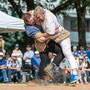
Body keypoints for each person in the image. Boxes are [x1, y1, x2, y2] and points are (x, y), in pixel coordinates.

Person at [33, 6, 79, 83]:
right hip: (53, 38)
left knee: (67, 53)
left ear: (43, 13)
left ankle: (75, 74)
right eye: (36, 18)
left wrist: (40, 36)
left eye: (39, 17)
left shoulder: (49, 18)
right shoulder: (40, 13)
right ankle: (50, 69)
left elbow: (50, 34)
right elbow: (32, 13)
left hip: (62, 36)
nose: (38, 19)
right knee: (56, 53)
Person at [22, 12, 65, 85]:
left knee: (60, 53)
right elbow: (41, 38)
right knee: (44, 60)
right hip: (41, 43)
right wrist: (52, 33)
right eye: (31, 21)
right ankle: (42, 80)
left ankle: (49, 70)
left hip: (48, 40)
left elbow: (32, 11)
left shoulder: (33, 15)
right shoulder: (29, 29)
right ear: (26, 22)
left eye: (32, 19)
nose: (33, 21)